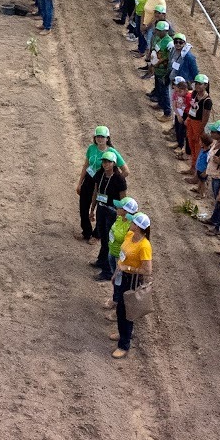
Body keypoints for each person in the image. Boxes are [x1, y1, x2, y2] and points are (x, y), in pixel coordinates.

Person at [111, 212, 153, 359]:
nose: (130, 223)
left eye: (133, 222)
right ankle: (122, 333)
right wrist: (117, 271)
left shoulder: (144, 246)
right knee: (120, 309)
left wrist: (128, 268)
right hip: (122, 276)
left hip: (132, 280)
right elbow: (122, 257)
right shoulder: (130, 235)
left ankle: (124, 345)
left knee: (127, 312)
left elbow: (147, 270)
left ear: (138, 227)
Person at [77, 126, 128, 241]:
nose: (99, 139)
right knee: (83, 207)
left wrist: (113, 182)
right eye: (97, 136)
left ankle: (97, 234)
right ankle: (86, 232)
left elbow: (126, 171)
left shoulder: (112, 152)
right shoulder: (91, 148)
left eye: (102, 137)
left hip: (102, 183)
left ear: (107, 138)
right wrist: (80, 183)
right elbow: (86, 165)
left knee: (102, 209)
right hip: (89, 180)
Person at [89, 152, 127, 273]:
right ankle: (101, 260)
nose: (105, 164)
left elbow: (123, 199)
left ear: (114, 163)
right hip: (101, 208)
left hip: (112, 211)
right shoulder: (100, 174)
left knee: (109, 238)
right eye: (104, 161)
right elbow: (96, 192)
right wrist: (92, 209)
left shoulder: (119, 179)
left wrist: (122, 215)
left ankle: (108, 268)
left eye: (108, 162)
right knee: (102, 235)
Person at [96, 196, 138, 281]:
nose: (116, 207)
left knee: (118, 281)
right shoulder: (119, 218)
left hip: (119, 258)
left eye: (119, 207)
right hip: (112, 251)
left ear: (125, 211)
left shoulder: (131, 227)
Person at [182, 75, 212, 175]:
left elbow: (205, 118)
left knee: (197, 146)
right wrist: (188, 118)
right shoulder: (195, 93)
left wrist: (199, 131)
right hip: (191, 121)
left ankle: (196, 170)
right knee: (191, 144)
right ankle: (192, 166)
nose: (197, 85)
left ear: (205, 85)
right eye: (196, 83)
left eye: (200, 84)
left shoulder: (207, 101)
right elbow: (192, 107)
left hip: (199, 124)